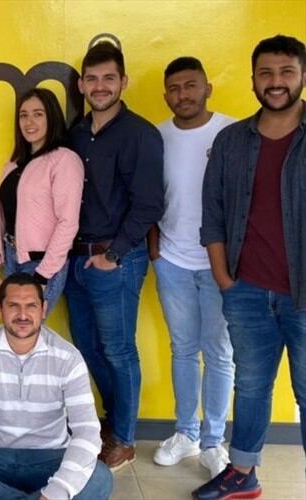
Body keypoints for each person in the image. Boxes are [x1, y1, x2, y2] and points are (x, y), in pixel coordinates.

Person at [194, 34, 306, 499]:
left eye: (286, 72)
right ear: (254, 79)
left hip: (303, 295)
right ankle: (242, 474)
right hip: (247, 290)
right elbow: (213, 213)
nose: (275, 82)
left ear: (302, 76)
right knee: (252, 385)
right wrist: (225, 279)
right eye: (266, 73)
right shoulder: (231, 141)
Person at [65, 41, 164, 470]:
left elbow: (149, 204)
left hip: (116, 260)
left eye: (109, 78)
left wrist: (115, 254)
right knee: (88, 347)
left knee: (119, 350)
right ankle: (113, 420)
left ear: (123, 81)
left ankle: (124, 438)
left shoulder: (141, 134)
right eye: (92, 79)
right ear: (82, 85)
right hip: (76, 260)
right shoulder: (74, 133)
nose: (100, 86)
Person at [0, 273, 112, 500]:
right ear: (0, 309)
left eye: (31, 306)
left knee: (100, 477)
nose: (22, 315)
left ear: (43, 309)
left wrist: (57, 492)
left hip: (50, 456)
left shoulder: (68, 357)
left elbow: (87, 430)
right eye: (13, 306)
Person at [147, 57, 236, 479]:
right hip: (173, 261)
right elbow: (150, 197)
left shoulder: (232, 133)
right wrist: (155, 252)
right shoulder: (157, 137)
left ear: (207, 88)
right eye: (174, 88)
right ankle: (186, 433)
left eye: (190, 85)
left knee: (219, 352)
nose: (182, 95)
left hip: (222, 265)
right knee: (183, 349)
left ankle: (214, 442)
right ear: (166, 94)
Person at [0, 87, 83, 315]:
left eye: (38, 114)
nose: (29, 122)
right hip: (12, 259)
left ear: (52, 117)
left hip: (42, 263)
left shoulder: (64, 160)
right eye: (23, 115)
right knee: (15, 328)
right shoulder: (13, 164)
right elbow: (3, 219)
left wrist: (43, 274)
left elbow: (68, 222)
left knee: (25, 328)